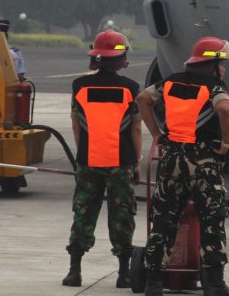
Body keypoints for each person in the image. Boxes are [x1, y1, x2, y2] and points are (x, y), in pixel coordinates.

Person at [137, 36, 229, 296]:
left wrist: (158, 134)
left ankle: (154, 283)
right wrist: (225, 143)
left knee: (163, 221)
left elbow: (142, 100)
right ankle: (214, 284)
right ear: (211, 65)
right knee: (212, 220)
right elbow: (225, 111)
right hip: (202, 162)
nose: (224, 68)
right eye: (222, 63)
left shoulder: (170, 82)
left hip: (172, 160)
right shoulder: (215, 87)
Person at [62, 29, 142, 289]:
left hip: (89, 160)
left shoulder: (80, 86)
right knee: (121, 215)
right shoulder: (130, 88)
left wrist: (83, 153)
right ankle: (123, 274)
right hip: (121, 162)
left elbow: (76, 124)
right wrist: (137, 161)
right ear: (118, 57)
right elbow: (136, 129)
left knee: (83, 213)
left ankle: (74, 272)